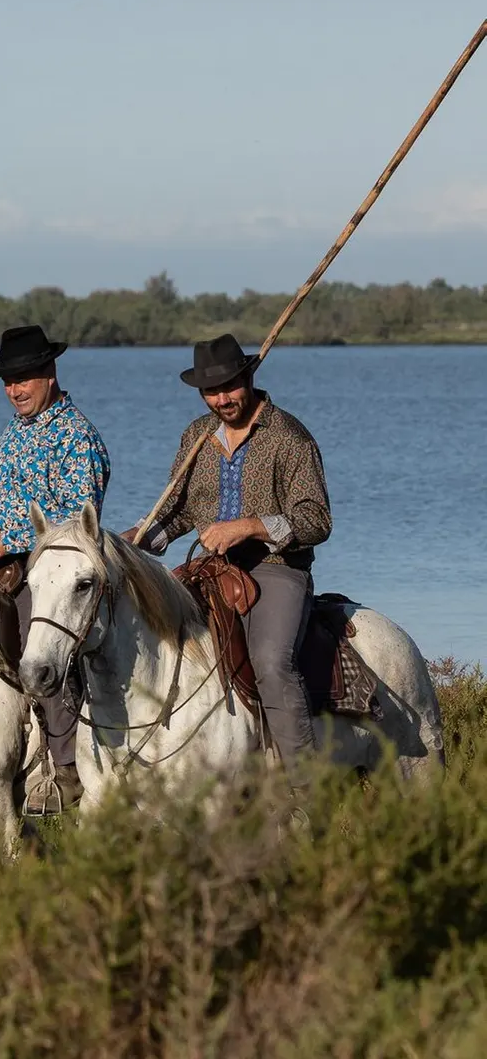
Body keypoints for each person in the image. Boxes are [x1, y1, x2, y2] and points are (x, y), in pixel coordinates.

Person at [127, 334, 331, 789]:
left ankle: (305, 791)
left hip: (276, 568)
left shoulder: (289, 437)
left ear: (249, 377)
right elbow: (177, 511)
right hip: (208, 570)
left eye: (230, 387)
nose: (221, 399)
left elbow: (317, 520)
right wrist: (137, 538)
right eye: (210, 392)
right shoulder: (196, 437)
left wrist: (248, 526)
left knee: (271, 662)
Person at [0, 324, 110, 816]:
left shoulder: (77, 436)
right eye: (8, 381)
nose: (14, 389)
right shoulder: (13, 433)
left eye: (23, 378)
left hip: (55, 573)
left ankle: (63, 769)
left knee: (42, 644)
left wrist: (6, 541)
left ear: (49, 373)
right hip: (0, 561)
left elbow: (76, 523)